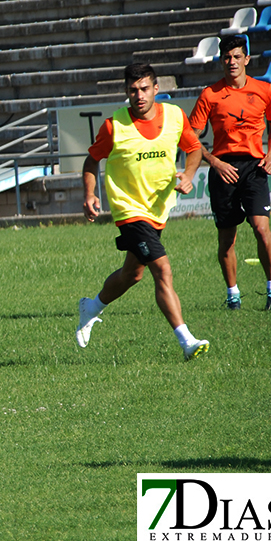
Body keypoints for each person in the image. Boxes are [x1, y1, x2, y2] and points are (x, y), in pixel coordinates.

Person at [76, 63, 209, 361]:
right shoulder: (114, 125)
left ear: (156, 89)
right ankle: (186, 340)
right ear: (126, 92)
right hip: (129, 210)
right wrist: (89, 194)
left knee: (132, 274)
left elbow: (194, 148)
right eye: (133, 90)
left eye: (145, 89)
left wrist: (188, 174)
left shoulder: (174, 116)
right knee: (161, 269)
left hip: (157, 208)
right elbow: (91, 160)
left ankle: (91, 307)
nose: (139, 95)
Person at [189, 35, 271, 311]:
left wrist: (270, 155)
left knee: (261, 228)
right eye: (227, 58)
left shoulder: (265, 91)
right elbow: (190, 138)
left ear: (247, 59)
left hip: (254, 168)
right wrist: (215, 163)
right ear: (221, 61)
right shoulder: (210, 94)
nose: (232, 62)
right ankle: (233, 296)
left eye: (237, 57)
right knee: (226, 238)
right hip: (223, 171)